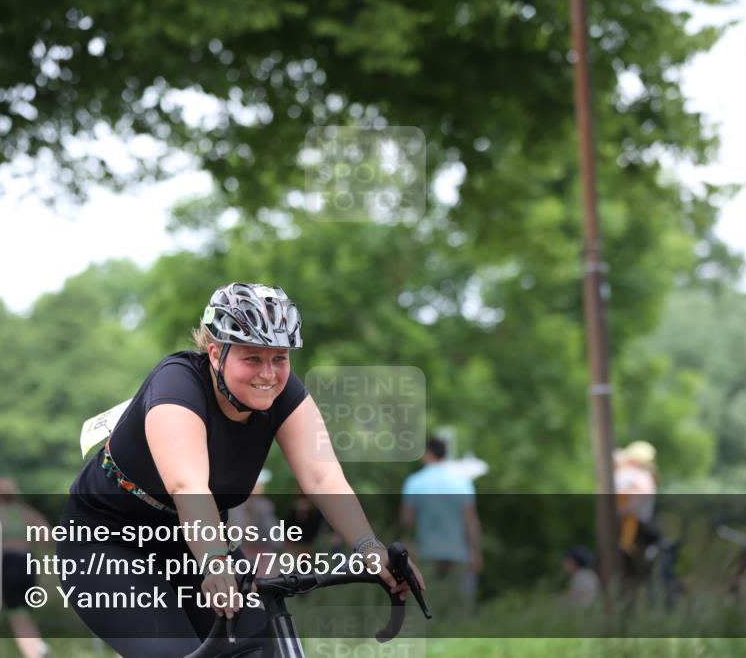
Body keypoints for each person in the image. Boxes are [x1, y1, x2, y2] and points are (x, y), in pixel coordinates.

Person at [58, 282, 424, 658]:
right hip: (108, 541)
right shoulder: (176, 384)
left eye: (280, 358)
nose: (268, 374)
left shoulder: (283, 392)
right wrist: (216, 560)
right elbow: (188, 486)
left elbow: (323, 477)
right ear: (216, 353)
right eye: (252, 358)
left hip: (194, 541)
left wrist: (369, 547)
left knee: (260, 650)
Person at [400, 437, 481, 616]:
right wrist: (475, 552)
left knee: (426, 604)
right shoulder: (462, 482)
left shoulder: (414, 482)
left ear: (428, 454)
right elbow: (470, 521)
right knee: (459, 608)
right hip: (458, 551)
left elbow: (406, 520)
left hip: (426, 550)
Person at [0, 477, 51, 658]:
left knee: (16, 616)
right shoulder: (27, 513)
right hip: (28, 563)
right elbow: (48, 536)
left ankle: (34, 653)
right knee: (24, 612)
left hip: (8, 565)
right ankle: (38, 646)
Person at [613, 440, 658, 557]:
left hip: (633, 517)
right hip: (626, 514)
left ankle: (626, 546)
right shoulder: (631, 473)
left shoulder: (640, 475)